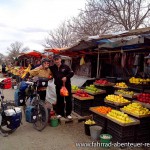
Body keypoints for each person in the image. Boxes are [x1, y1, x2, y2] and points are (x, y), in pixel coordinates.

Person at [50, 54, 74, 119]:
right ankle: (60, 113)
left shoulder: (66, 67)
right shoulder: (52, 68)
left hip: (66, 86)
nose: (56, 61)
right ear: (53, 61)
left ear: (60, 59)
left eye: (57, 59)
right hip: (58, 86)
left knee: (68, 99)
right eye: (55, 60)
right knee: (60, 100)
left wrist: (66, 77)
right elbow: (45, 68)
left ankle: (68, 114)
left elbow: (72, 73)